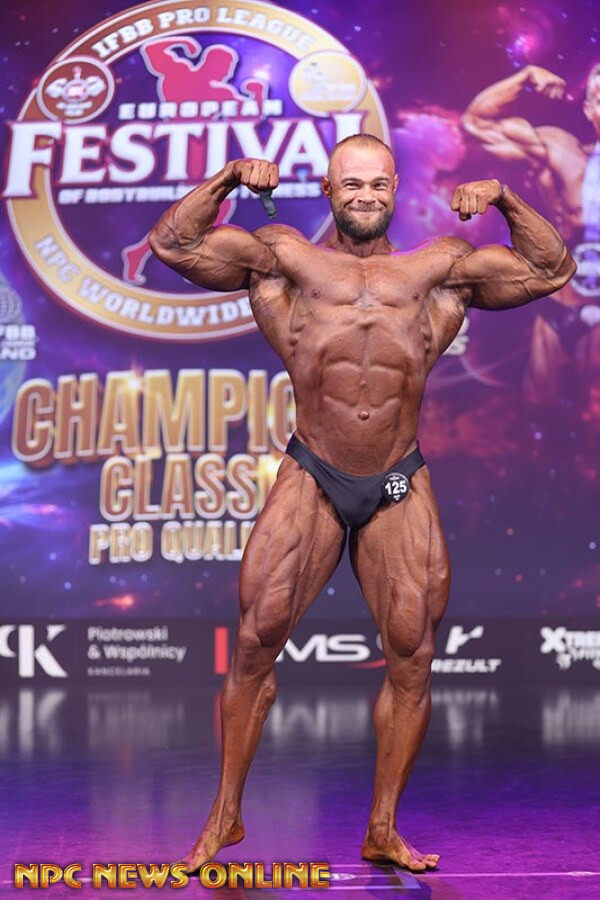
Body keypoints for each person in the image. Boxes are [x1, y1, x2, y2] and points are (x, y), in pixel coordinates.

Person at [149, 134, 575, 873]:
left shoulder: (439, 268)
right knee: (255, 641)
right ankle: (224, 818)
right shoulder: (283, 257)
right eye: (352, 184)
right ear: (328, 189)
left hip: (397, 479)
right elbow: (174, 245)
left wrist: (505, 199)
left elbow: (551, 268)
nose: (366, 195)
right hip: (313, 470)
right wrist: (228, 177)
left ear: (395, 188)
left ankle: (383, 828)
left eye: (378, 183)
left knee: (412, 653)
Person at [462, 64, 600, 409]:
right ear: (588, 110)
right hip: (560, 308)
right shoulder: (561, 152)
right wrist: (524, 77)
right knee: (542, 409)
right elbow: (476, 123)